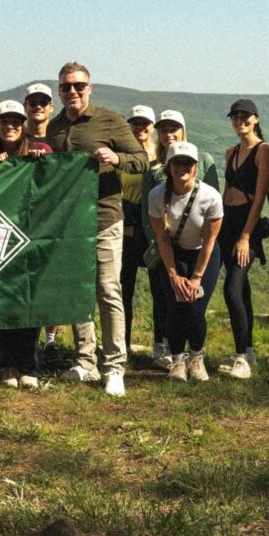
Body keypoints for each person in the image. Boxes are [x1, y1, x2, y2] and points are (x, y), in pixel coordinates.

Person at [46, 61, 148, 397]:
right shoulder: (55, 127)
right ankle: (85, 360)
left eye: (78, 86)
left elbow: (142, 159)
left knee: (108, 290)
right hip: (71, 222)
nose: (72, 92)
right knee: (78, 291)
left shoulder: (110, 120)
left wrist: (117, 159)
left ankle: (114, 366)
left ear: (89, 88)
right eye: (65, 87)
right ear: (59, 91)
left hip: (105, 217)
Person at [141, 109, 219, 370]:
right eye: (177, 164)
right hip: (170, 249)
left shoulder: (208, 188)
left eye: (187, 164)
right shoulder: (155, 184)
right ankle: (175, 358)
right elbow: (157, 230)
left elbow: (209, 238)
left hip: (200, 249)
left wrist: (196, 277)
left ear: (196, 166)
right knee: (172, 304)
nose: (182, 168)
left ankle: (195, 357)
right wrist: (173, 274)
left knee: (194, 306)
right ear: (169, 167)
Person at [0, 100, 51, 391]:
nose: (10, 126)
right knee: (5, 300)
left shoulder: (42, 150)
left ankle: (29, 364)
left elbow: (54, 181)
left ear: (23, 125)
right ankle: (8, 363)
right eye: (4, 121)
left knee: (29, 299)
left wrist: (42, 163)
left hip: (32, 236)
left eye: (15, 121)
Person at [218, 99, 269, 380]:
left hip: (246, 227)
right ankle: (248, 351)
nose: (239, 121)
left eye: (245, 117)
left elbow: (260, 196)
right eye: (235, 117)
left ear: (255, 119)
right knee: (242, 290)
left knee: (232, 289)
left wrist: (245, 236)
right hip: (226, 223)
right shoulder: (231, 151)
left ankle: (240, 357)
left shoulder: (264, 151)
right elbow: (225, 190)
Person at [23, 83, 62, 353]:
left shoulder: (60, 139)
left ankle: (51, 340)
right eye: (32, 102)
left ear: (51, 107)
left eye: (42, 102)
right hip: (22, 218)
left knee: (51, 278)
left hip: (53, 216)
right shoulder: (16, 137)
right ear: (25, 106)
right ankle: (27, 339)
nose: (37, 106)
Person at [120, 106, 159, 353]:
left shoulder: (162, 154)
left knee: (159, 290)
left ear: (153, 127)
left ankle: (161, 345)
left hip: (154, 232)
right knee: (124, 291)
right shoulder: (122, 156)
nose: (140, 128)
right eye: (135, 123)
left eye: (145, 123)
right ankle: (121, 344)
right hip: (125, 232)